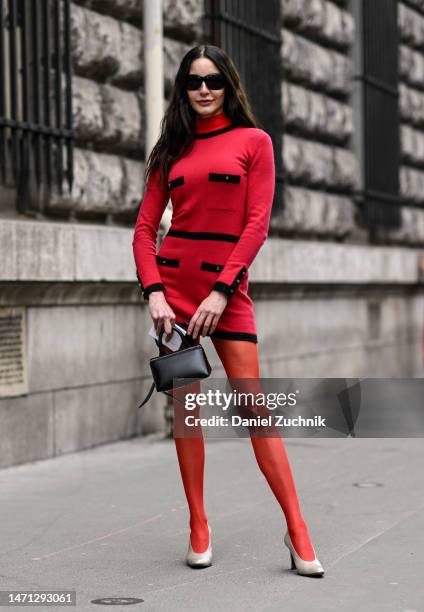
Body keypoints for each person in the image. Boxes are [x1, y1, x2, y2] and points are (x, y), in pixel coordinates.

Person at [132, 44, 324, 577]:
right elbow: (145, 230)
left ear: (228, 84)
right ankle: (198, 523)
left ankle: (297, 527)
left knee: (254, 408)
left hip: (226, 292)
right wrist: (153, 291)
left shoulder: (254, 142)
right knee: (186, 412)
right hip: (172, 293)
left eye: (213, 80)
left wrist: (221, 289)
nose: (204, 90)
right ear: (182, 88)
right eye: (193, 81)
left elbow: (256, 224)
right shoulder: (171, 150)